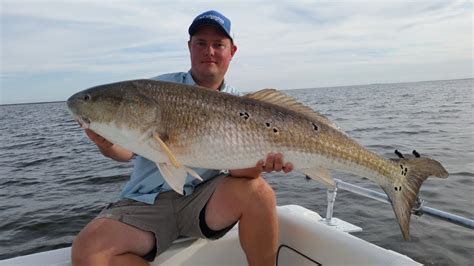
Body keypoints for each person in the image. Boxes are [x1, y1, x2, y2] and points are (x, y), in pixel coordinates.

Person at [71, 10, 293, 266]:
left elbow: (240, 172)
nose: (209, 51)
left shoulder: (242, 105)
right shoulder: (154, 90)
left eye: (218, 44)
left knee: (260, 193)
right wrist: (107, 145)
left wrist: (263, 164)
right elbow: (126, 151)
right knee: (88, 252)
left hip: (203, 200)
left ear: (231, 52)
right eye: (201, 43)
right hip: (147, 200)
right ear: (189, 47)